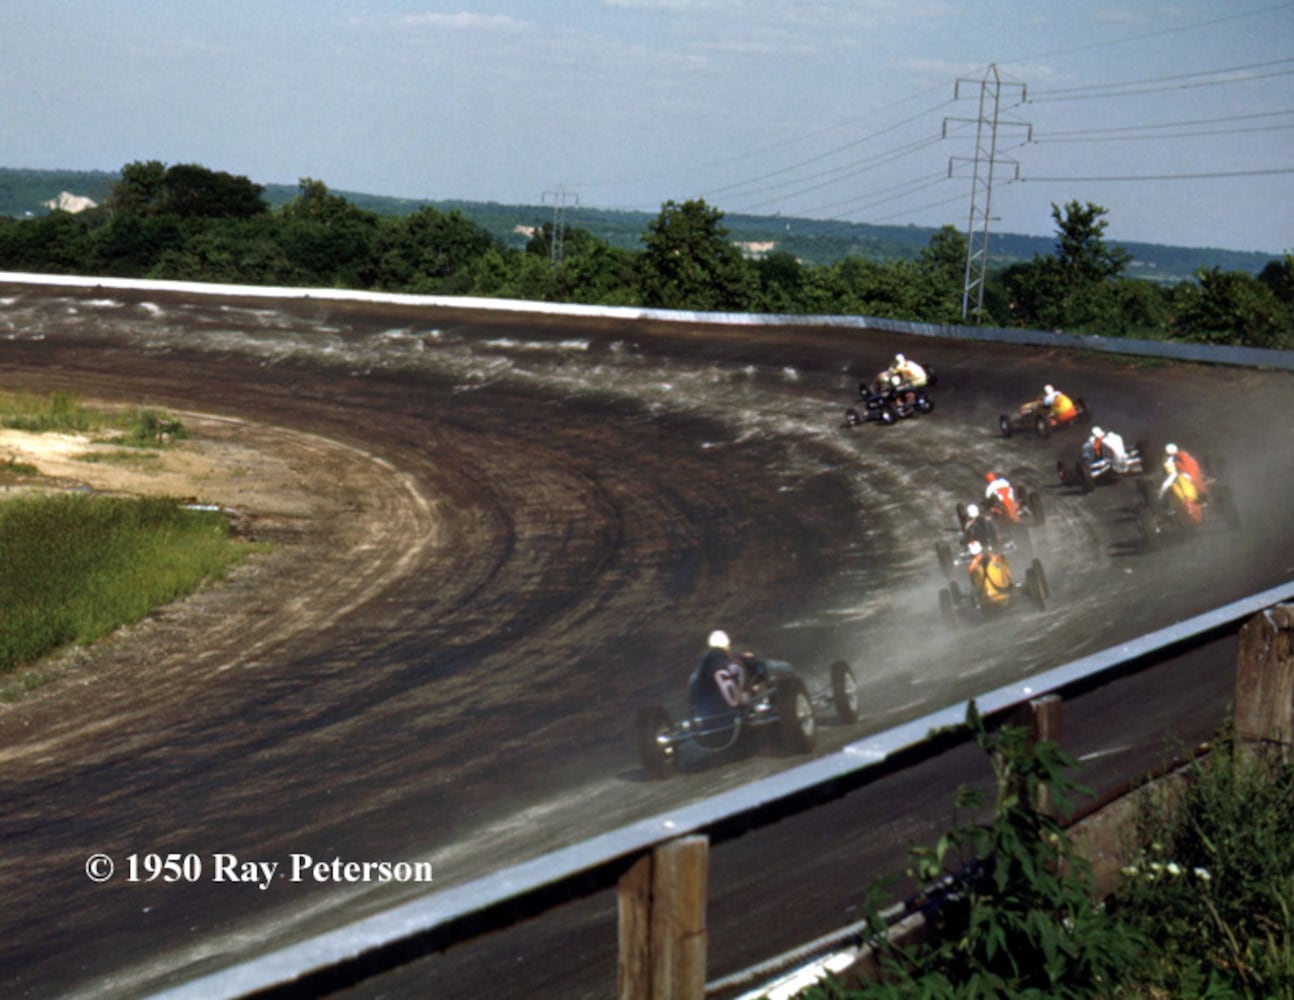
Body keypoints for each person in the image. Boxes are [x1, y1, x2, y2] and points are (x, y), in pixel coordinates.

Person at [1157, 456, 1204, 527]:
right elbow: (1163, 491)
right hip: (1180, 504)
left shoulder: (1183, 475)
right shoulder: (1169, 481)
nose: (1170, 468)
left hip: (1188, 501)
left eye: (1171, 466)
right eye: (1168, 467)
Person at [966, 540, 1012, 608]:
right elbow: (1002, 566)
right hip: (1001, 594)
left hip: (986, 599)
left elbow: (971, 572)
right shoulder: (992, 563)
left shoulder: (976, 569)